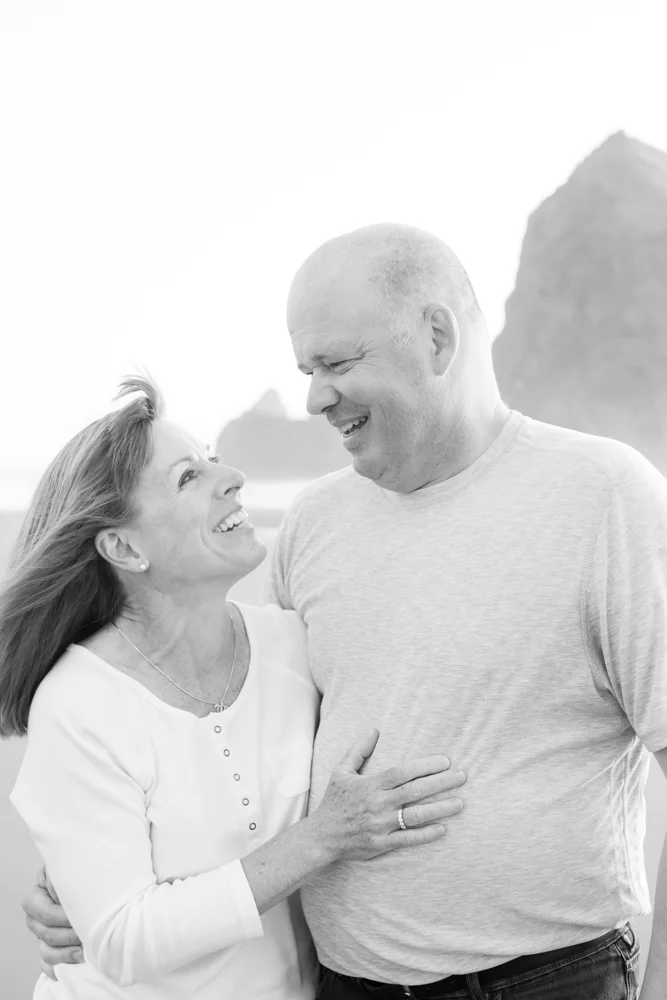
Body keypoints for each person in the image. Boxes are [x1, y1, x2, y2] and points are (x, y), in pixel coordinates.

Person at [21, 222, 667, 999]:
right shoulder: (313, 523)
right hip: (345, 982)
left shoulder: (603, 495)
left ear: (435, 337)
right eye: (305, 368)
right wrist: (88, 880)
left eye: (336, 362)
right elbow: (263, 763)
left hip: (547, 979)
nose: (314, 396)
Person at [0, 374, 467, 1000]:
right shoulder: (80, 702)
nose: (233, 478)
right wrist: (322, 837)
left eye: (214, 460)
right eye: (189, 477)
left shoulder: (293, 645)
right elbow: (120, 939)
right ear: (122, 546)